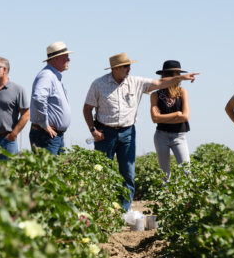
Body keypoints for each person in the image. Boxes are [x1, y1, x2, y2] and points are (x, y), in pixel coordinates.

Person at [83, 52, 198, 210]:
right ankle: (101, 209)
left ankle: (123, 212)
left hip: (128, 133)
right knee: (102, 173)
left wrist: (181, 78)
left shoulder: (136, 82)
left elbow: (159, 83)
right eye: (125, 66)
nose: (129, 69)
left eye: (129, 65)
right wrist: (93, 130)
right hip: (105, 134)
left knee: (128, 174)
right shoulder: (98, 84)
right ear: (115, 69)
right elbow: (87, 109)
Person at [150, 60, 192, 180]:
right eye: (175, 73)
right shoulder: (155, 95)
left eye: (178, 73)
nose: (177, 76)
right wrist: (176, 114)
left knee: (186, 170)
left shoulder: (182, 92)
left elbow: (185, 117)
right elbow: (154, 118)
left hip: (179, 136)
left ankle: (188, 198)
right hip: (161, 136)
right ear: (166, 76)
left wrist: (164, 119)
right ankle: (166, 197)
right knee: (164, 174)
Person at [30, 41, 73, 155]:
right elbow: (38, 98)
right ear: (55, 59)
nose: (69, 60)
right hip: (46, 136)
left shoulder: (54, 76)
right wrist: (45, 124)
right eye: (65, 57)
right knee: (47, 171)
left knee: (57, 171)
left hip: (53, 136)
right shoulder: (47, 75)